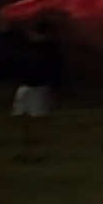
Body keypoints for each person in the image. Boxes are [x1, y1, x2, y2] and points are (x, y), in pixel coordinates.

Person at [11, 18, 62, 157]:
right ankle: (29, 145)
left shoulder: (47, 49)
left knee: (37, 118)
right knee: (25, 116)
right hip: (28, 86)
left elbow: (53, 68)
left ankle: (37, 149)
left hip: (37, 87)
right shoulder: (29, 47)